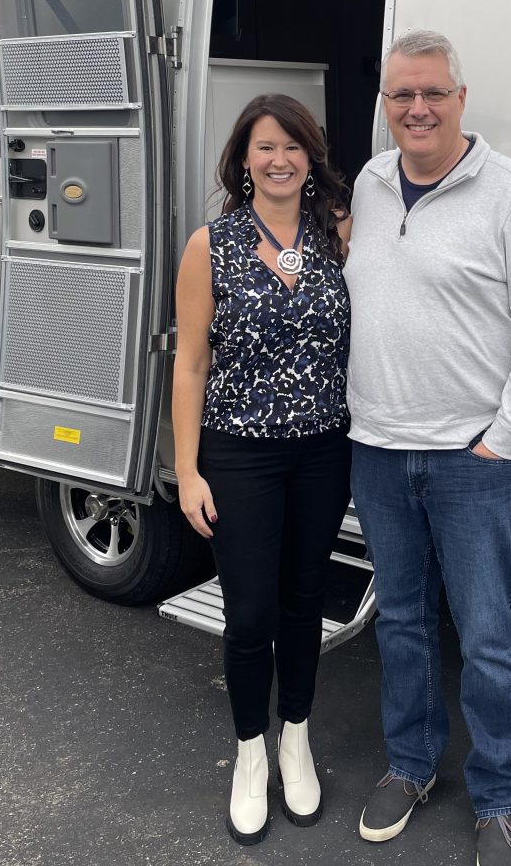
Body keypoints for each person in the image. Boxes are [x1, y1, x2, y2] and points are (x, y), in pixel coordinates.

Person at [344, 30, 511, 866]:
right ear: (386, 102)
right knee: (401, 623)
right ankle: (410, 765)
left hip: (471, 462)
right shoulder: (371, 184)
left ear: (460, 99)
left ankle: (501, 798)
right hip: (379, 450)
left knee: (487, 636)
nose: (417, 108)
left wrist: (505, 437)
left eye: (432, 93)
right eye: (401, 94)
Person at [171, 93, 353, 846]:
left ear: (311, 157)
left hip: (322, 452)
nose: (280, 160)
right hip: (239, 453)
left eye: (293, 146)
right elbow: (190, 363)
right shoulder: (210, 244)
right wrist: (186, 470)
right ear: (243, 160)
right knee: (249, 615)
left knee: (304, 603)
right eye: (265, 147)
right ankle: (251, 755)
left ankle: (295, 740)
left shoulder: (338, 233)